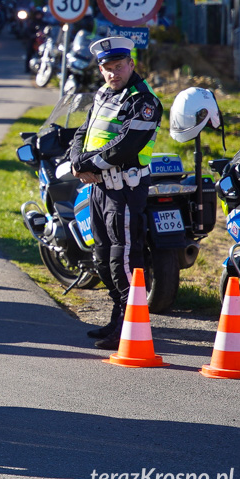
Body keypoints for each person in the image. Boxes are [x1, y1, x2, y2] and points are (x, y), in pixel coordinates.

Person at [68, 36, 161, 350]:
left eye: (118, 67)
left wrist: (84, 163)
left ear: (131, 64)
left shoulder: (143, 101)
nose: (112, 74)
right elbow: (84, 131)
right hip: (99, 187)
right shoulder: (103, 93)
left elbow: (125, 145)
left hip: (125, 190)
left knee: (122, 257)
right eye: (107, 68)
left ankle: (129, 325)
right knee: (102, 257)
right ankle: (117, 317)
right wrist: (75, 161)